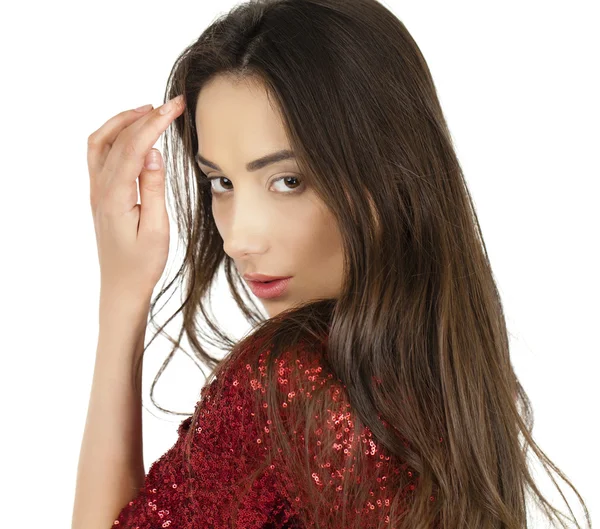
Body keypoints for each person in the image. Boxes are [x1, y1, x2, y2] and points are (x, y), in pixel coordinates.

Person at [72, 0, 592, 528]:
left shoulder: (287, 386)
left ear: (389, 173)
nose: (239, 240)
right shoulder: (450, 372)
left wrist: (122, 293)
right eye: (221, 182)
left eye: (289, 181)